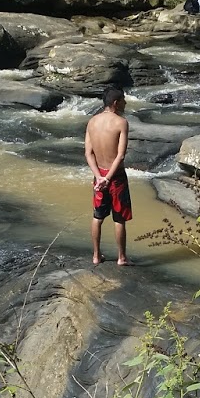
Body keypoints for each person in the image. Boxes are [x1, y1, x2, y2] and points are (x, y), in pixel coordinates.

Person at [84, 86, 132, 266]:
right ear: (115, 103)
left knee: (98, 216)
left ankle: (96, 256)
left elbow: (88, 153)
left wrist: (99, 177)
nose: (125, 103)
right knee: (119, 218)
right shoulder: (121, 122)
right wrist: (109, 179)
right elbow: (120, 155)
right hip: (116, 178)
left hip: (99, 176)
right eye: (123, 100)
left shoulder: (92, 122)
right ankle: (122, 257)